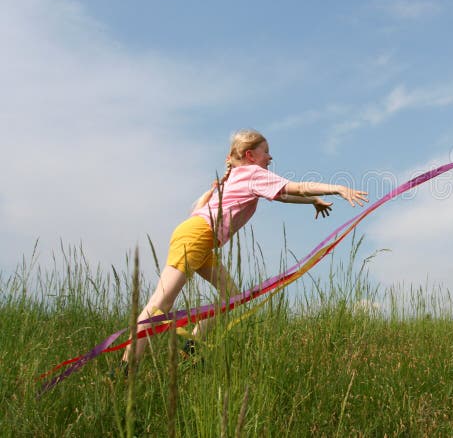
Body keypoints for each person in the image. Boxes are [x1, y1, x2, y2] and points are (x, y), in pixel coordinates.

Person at [121, 129, 368, 365]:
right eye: (266, 151)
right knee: (160, 304)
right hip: (197, 236)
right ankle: (125, 371)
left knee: (230, 296)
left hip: (200, 238)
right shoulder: (252, 173)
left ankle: (193, 344)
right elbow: (297, 186)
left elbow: (283, 195)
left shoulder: (238, 177)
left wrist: (312, 200)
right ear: (250, 155)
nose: (270, 157)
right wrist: (338, 188)